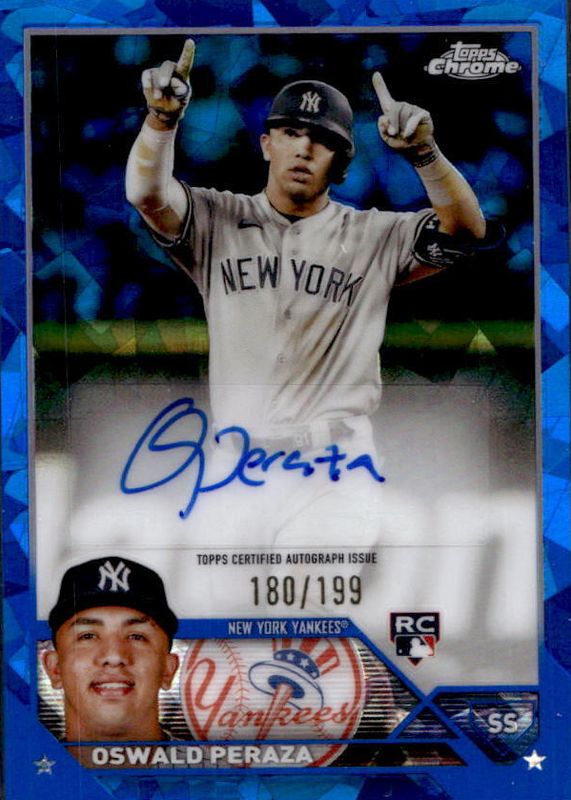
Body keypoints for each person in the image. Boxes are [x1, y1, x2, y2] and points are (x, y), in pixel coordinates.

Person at [124, 38, 491, 612]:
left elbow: (466, 230)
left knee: (304, 629)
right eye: (291, 131)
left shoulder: (375, 235)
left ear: (340, 162)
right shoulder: (218, 217)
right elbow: (146, 193)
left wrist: (425, 154)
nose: (303, 147)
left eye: (321, 140)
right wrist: (161, 120)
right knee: (226, 638)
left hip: (334, 468)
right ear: (266, 143)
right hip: (234, 466)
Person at [43, 556, 179, 741]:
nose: (114, 656)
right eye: (88, 636)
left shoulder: (212, 761)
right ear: (55, 668)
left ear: (168, 670)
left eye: (136, 636)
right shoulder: (20, 760)